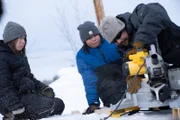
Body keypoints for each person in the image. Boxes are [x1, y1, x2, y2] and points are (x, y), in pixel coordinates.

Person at [0, 21, 65, 120]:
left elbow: (28, 77)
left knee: (58, 103)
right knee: (54, 106)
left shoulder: (20, 56)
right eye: (19, 38)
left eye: (24, 38)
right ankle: (13, 116)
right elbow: (4, 87)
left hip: (26, 96)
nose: (23, 41)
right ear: (11, 39)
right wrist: (16, 108)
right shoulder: (2, 57)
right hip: (12, 103)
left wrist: (43, 88)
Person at [99, 2, 180, 69]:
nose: (119, 41)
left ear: (123, 26)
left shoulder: (138, 16)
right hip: (171, 71)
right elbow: (128, 66)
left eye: (118, 36)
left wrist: (140, 41)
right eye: (114, 41)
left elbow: (157, 13)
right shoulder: (124, 51)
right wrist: (132, 76)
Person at [76, 21, 126, 114]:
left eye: (95, 35)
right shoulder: (82, 56)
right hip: (107, 88)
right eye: (89, 38)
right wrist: (93, 103)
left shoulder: (112, 41)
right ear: (84, 41)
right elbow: (89, 80)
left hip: (126, 81)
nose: (94, 39)